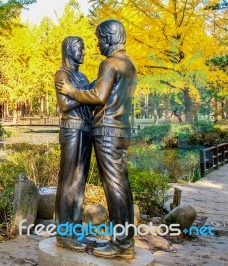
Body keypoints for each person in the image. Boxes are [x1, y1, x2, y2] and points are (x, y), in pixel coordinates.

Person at [57, 19, 137, 259]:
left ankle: (122, 243)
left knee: (114, 186)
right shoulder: (129, 63)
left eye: (99, 39)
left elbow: (99, 96)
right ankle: (124, 240)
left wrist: (72, 92)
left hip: (107, 129)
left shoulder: (110, 63)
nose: (97, 44)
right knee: (120, 184)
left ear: (110, 37)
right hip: (119, 129)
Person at [54, 36, 94, 251]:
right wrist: (88, 93)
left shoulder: (82, 76)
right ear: (69, 50)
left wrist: (90, 91)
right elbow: (65, 105)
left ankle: (75, 231)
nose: (84, 52)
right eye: (80, 48)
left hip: (86, 130)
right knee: (70, 180)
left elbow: (89, 100)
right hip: (72, 130)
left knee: (80, 181)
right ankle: (65, 235)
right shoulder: (63, 74)